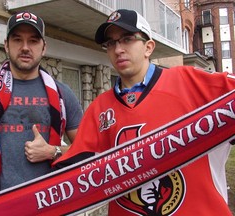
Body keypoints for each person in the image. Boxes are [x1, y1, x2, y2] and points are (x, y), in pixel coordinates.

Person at [52, 9, 235, 215]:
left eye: (127, 39)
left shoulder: (190, 82)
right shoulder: (100, 108)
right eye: (111, 43)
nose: (118, 49)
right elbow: (78, 165)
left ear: (148, 47)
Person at [0, 11, 82, 199]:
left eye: (33, 41)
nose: (25, 47)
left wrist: (53, 151)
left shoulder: (63, 94)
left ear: (44, 48)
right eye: (17, 40)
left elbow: (88, 150)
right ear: (6, 45)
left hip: (50, 204)